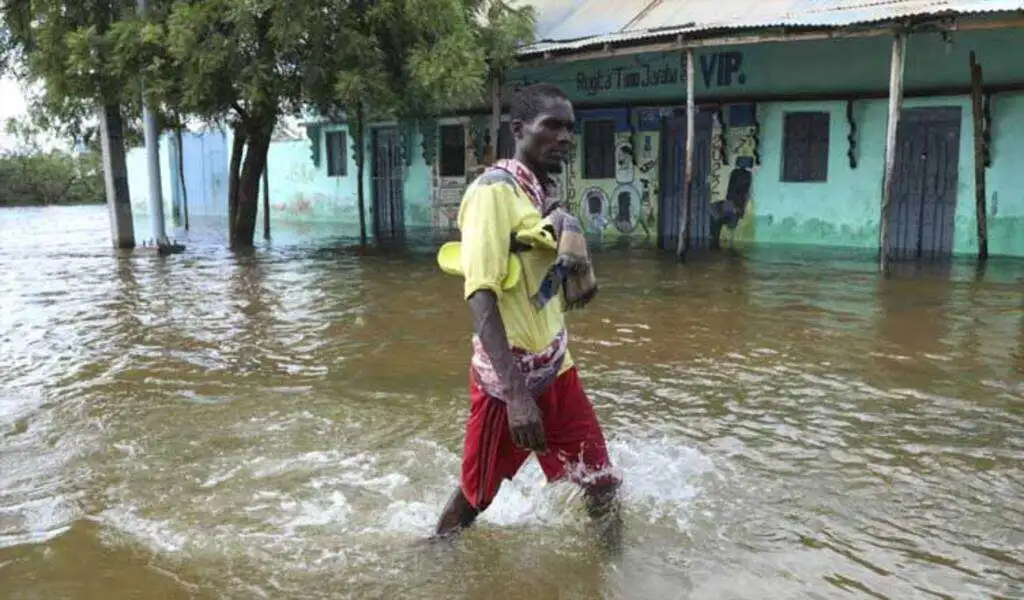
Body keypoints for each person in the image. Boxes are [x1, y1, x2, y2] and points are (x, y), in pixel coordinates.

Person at [433, 83, 622, 549]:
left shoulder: (539, 194)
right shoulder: (491, 194)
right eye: (552, 125)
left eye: (570, 129)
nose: (565, 137)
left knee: (602, 483)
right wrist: (517, 398)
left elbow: (541, 287)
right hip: (508, 383)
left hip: (557, 366)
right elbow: (480, 295)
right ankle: (432, 560)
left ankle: (613, 576)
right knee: (476, 498)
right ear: (518, 130)